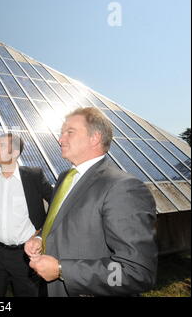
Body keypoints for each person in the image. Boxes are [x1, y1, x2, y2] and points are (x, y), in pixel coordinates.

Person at [25, 107, 158, 297]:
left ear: (94, 138)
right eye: (61, 133)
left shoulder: (123, 187)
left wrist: (63, 270)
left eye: (69, 132)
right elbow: (59, 223)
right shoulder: (65, 178)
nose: (60, 139)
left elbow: (137, 272)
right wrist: (40, 239)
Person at [0, 132, 53, 296]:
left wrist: (41, 231)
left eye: (1, 145)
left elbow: (56, 203)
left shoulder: (33, 176)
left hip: (25, 254)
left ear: (16, 152)